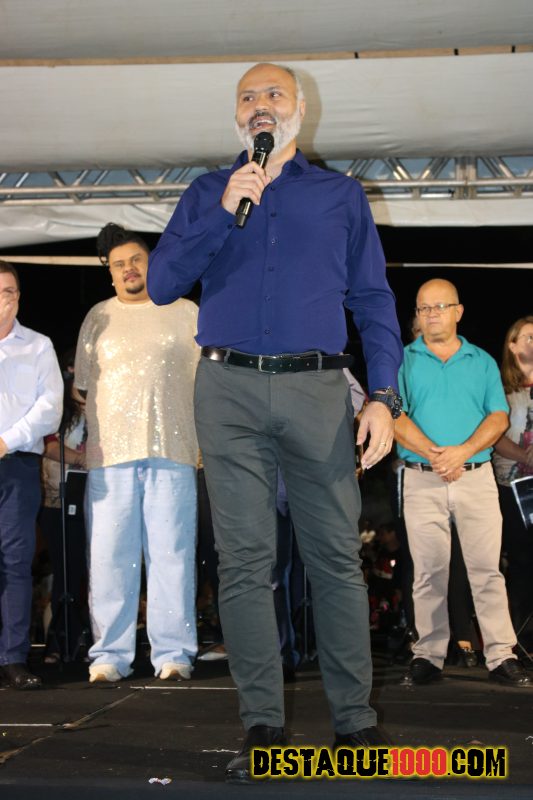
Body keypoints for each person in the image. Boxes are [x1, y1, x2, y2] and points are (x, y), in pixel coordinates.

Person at [147, 62, 404, 782]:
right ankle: (263, 728)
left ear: (299, 107)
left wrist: (382, 396)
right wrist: (222, 209)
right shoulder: (208, 191)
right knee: (243, 562)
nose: (260, 105)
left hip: (316, 390)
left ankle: (355, 726)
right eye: (247, 97)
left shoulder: (339, 195)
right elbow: (163, 284)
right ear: (237, 115)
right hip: (225, 389)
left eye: (273, 94)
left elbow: (373, 300)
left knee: (334, 558)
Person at [74, 224, 200, 683]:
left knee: (173, 556)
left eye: (136, 260)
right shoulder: (98, 317)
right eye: (118, 264)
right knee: (109, 558)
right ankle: (109, 655)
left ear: (152, 262)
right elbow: (82, 389)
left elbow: (209, 382)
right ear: (109, 273)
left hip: (175, 450)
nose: (128, 269)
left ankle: (174, 654)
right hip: (109, 458)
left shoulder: (187, 313)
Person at [394, 278, 529, 687]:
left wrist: (462, 451)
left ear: (458, 311)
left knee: (487, 570)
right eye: (424, 308)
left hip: (475, 478)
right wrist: (439, 455)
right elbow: (395, 416)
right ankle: (428, 654)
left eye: (440, 306)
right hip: (422, 478)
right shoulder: (401, 360)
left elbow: (498, 417)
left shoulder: (482, 361)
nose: (431, 314)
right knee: (428, 572)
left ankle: (501, 655)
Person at [0, 260, 63, 689]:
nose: (2, 299)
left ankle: (13, 657)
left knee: (16, 561)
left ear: (18, 298)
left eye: (8, 291)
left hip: (18, 464)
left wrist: (5, 441)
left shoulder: (38, 346)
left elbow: (50, 408)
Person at [39, 347, 90, 663]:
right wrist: (81, 459)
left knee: (86, 573)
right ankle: (57, 642)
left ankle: (84, 639)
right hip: (58, 502)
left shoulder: (101, 406)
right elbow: (47, 445)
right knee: (64, 574)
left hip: (92, 501)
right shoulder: (57, 407)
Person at [493, 316, 533, 654]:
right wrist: (524, 455)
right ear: (512, 344)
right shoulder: (500, 390)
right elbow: (492, 435)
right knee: (520, 561)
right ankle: (522, 639)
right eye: (529, 337)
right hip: (512, 486)